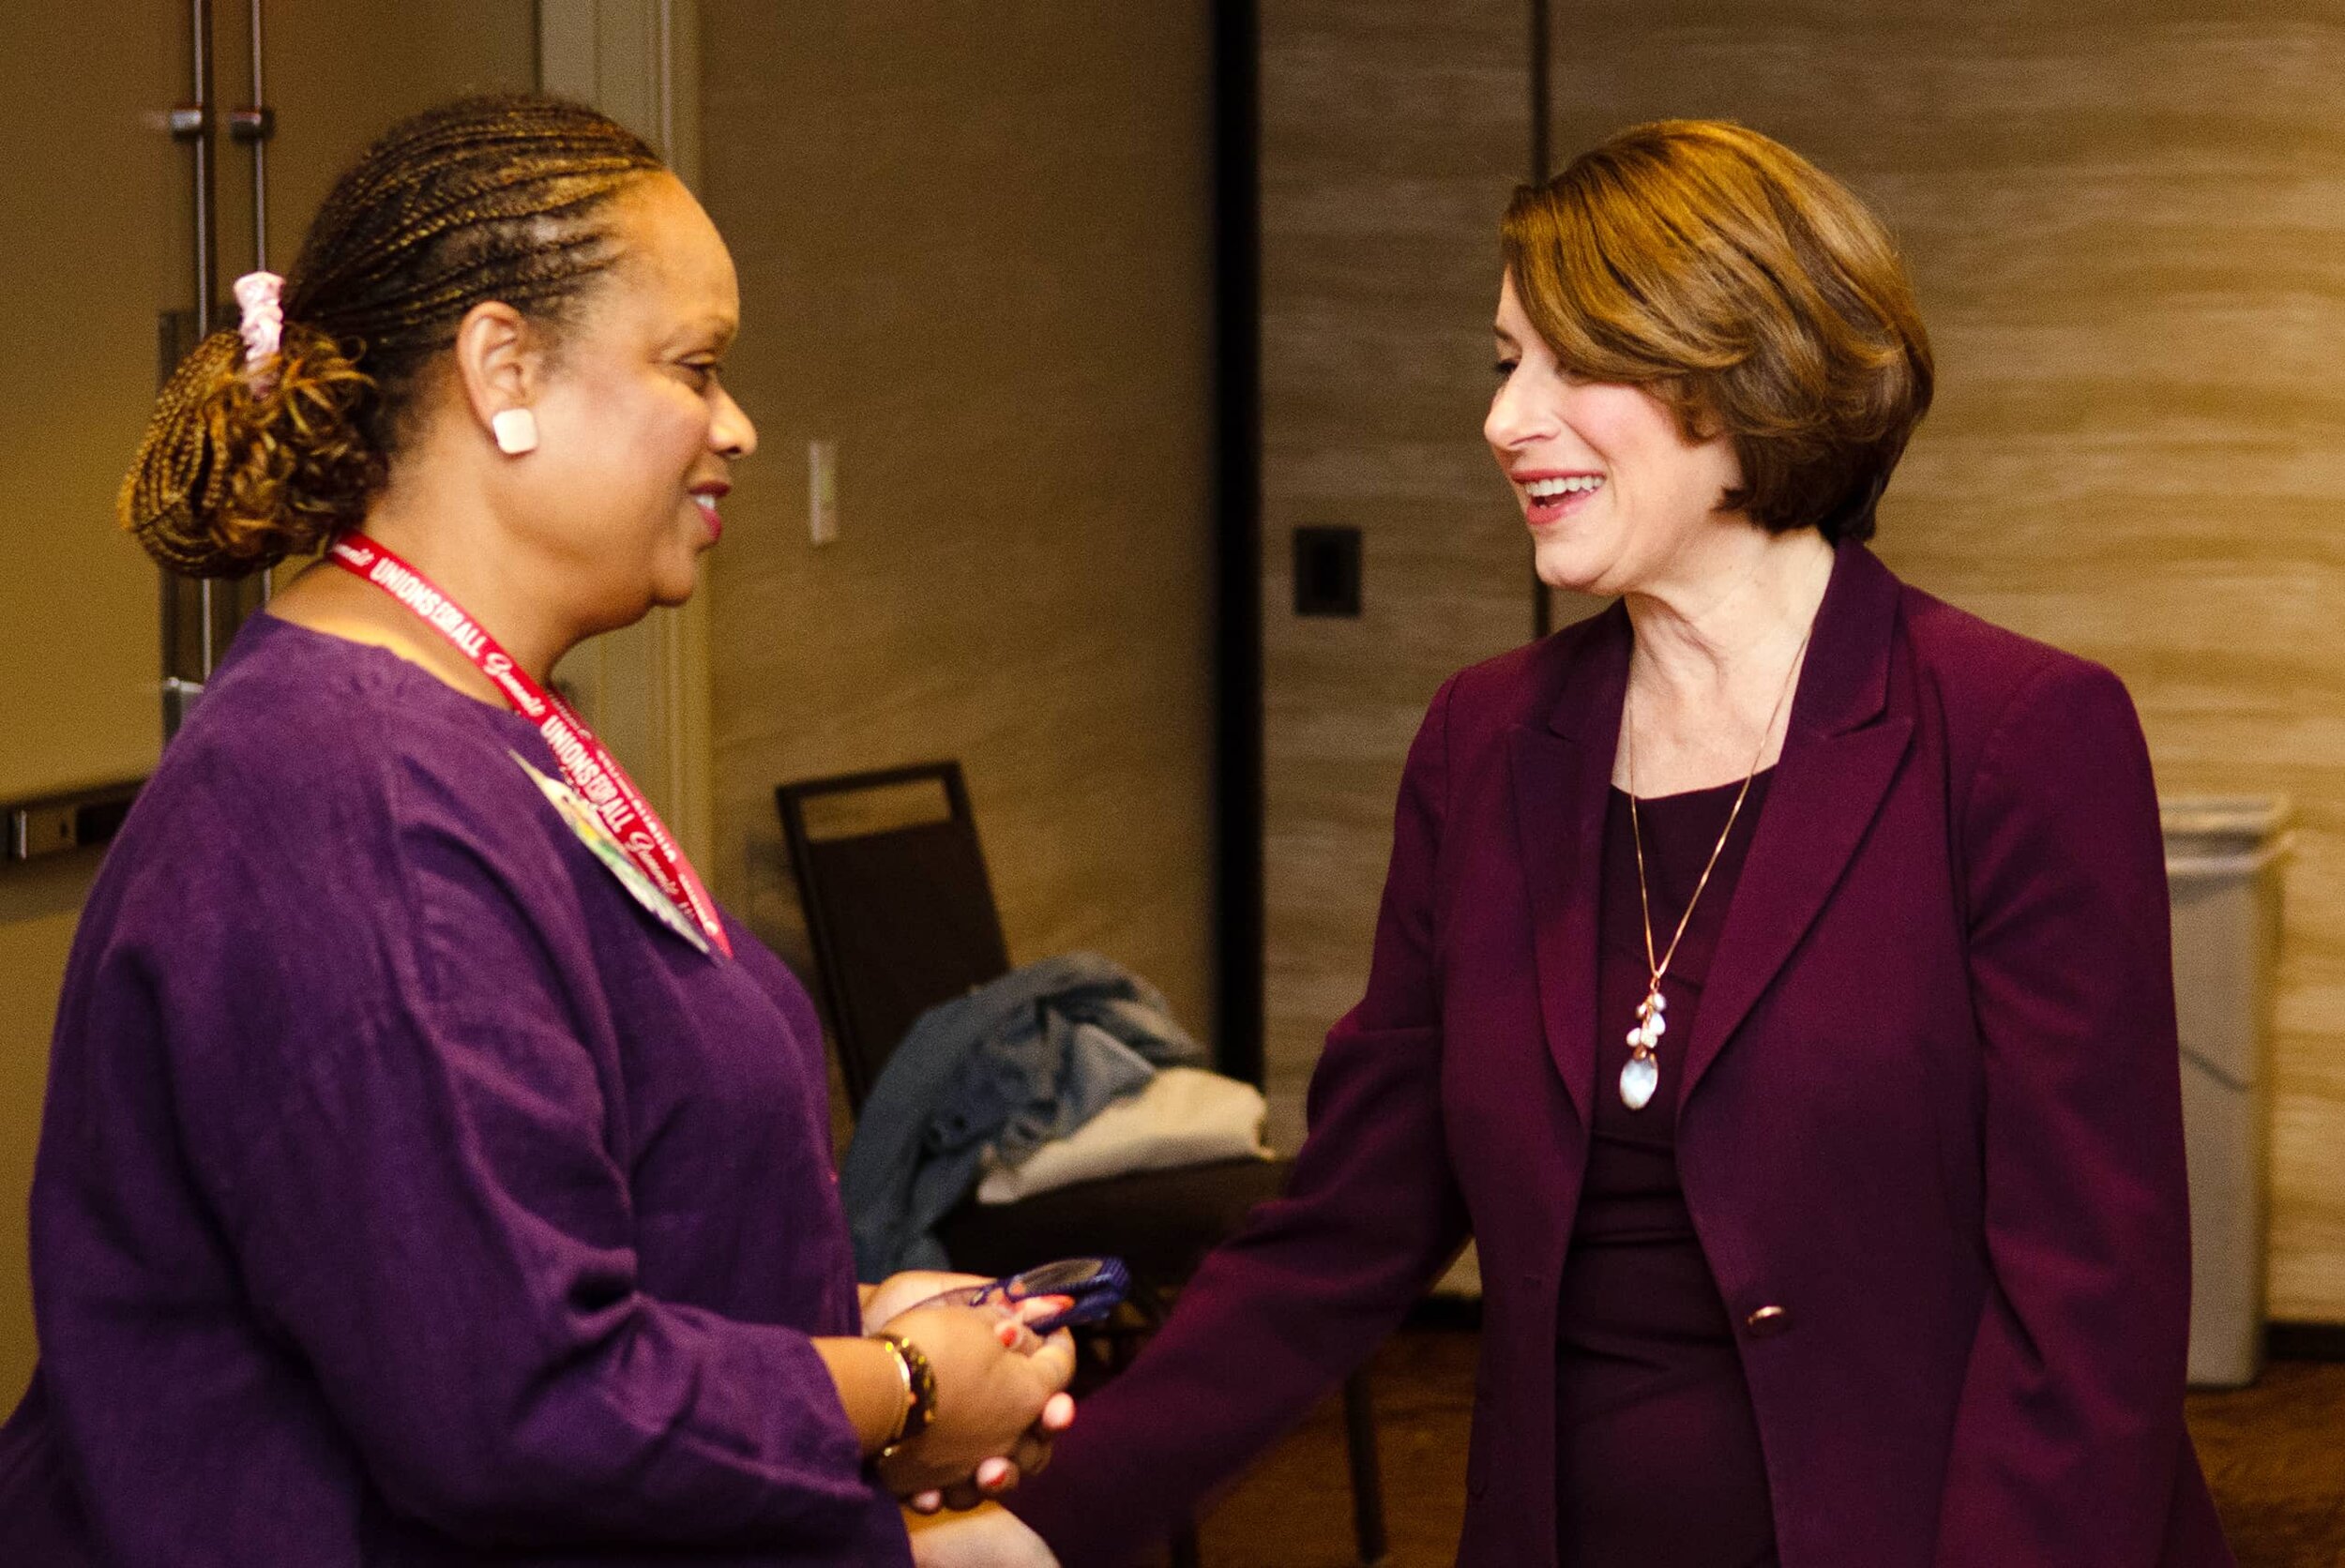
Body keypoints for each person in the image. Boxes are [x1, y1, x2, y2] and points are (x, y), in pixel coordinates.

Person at [915, 120, 2234, 1567]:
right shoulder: (1486, 743)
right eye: (1504, 365)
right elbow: (1348, 1224)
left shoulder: (2014, 736)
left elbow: (2092, 1305)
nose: (1506, 421)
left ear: (1743, 370)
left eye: (1572, 364)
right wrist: (1043, 1526)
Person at [0, 94, 1072, 1566]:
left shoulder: (479, 718)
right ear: (504, 368)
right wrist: (901, 1390)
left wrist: (840, 1324)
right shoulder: (360, 803)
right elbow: (521, 1403)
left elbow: (565, 1220)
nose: (738, 428)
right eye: (695, 367)